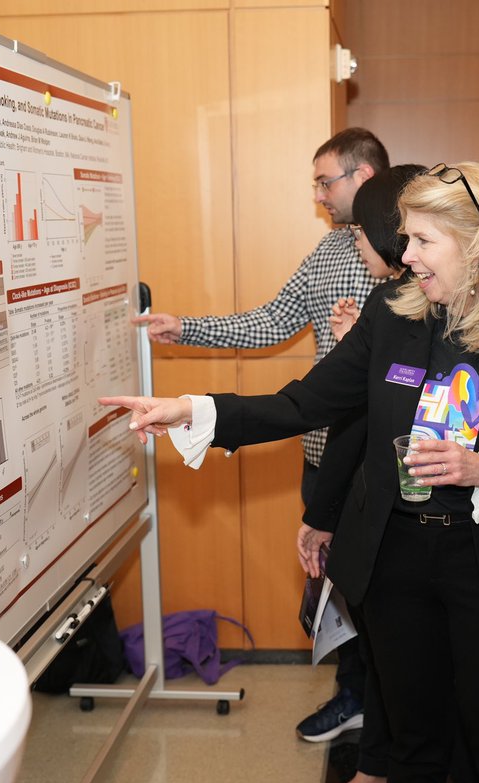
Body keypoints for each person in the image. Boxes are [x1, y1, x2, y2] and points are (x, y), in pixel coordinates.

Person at [103, 163, 479, 783]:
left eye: (423, 241)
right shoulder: (394, 312)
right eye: (404, 239)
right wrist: (195, 411)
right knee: (413, 746)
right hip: (395, 561)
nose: (405, 255)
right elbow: (305, 403)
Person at [134, 128, 390, 744]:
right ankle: (356, 698)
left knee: (384, 600)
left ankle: (389, 719)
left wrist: (373, 341)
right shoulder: (329, 253)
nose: (320, 195)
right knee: (335, 594)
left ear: (363, 176)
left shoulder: (418, 259)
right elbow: (271, 320)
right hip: (323, 455)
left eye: (326, 181)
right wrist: (185, 326)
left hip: (382, 466)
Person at [300, 164, 423, 783]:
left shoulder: (433, 305)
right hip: (369, 499)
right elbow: (335, 408)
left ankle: (385, 764)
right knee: (377, 650)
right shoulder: (383, 304)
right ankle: (375, 765)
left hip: (430, 519)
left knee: (412, 671)